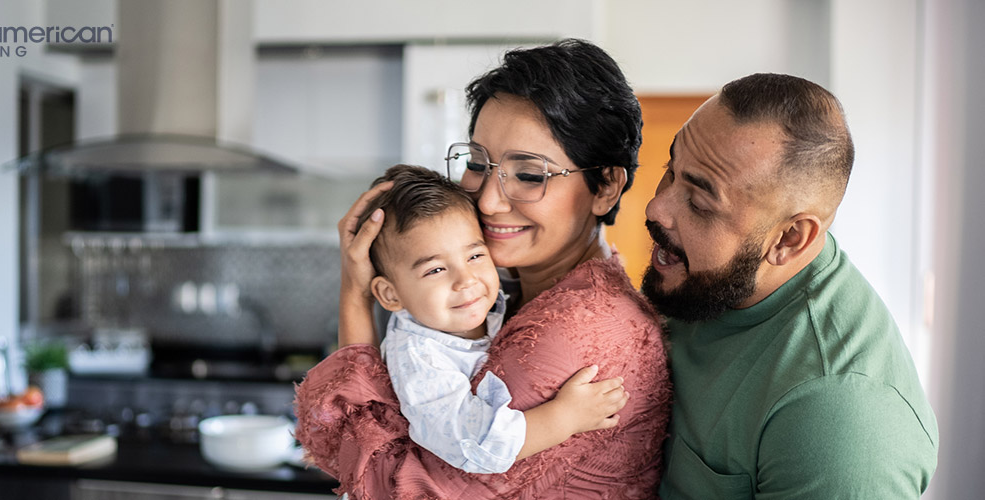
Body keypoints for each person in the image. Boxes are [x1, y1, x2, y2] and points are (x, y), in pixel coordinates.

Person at [294, 39, 671, 499]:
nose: (488, 201)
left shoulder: (572, 331)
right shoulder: (505, 294)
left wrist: (354, 297)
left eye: (530, 174)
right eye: (477, 163)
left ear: (606, 185)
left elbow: (392, 487)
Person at [642, 73, 939, 498]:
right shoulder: (706, 279)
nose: (657, 208)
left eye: (700, 203)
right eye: (671, 170)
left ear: (788, 240)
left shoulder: (841, 420)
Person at [357, 164, 625, 475]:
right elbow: (474, 444)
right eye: (435, 270)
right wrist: (564, 417)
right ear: (391, 295)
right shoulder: (420, 362)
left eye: (474, 256)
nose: (466, 280)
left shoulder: (468, 301)